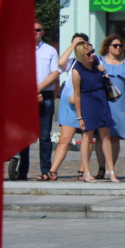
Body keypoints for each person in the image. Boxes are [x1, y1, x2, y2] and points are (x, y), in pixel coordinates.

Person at [70, 42, 119, 183]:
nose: (92, 55)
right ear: (81, 56)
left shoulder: (97, 62)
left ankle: (111, 170)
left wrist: (103, 72)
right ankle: (86, 171)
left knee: (106, 135)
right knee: (87, 135)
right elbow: (77, 95)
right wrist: (80, 116)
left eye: (93, 51)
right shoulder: (76, 71)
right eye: (89, 54)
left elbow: (105, 79)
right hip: (87, 101)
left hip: (101, 98)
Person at [45, 34, 91, 181]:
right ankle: (53, 170)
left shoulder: (92, 62)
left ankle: (83, 170)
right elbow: (60, 63)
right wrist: (72, 46)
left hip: (86, 103)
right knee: (64, 139)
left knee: (87, 138)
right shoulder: (72, 63)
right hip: (69, 105)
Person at [18, 20, 59, 181]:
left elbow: (55, 73)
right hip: (24, 95)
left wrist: (39, 88)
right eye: (32, 29)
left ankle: (45, 170)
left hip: (46, 94)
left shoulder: (50, 51)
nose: (35, 32)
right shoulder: (20, 49)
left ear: (42, 32)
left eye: (38, 30)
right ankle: (22, 171)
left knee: (44, 135)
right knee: (23, 135)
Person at [94, 34, 125, 179]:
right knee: (100, 136)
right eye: (115, 46)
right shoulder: (100, 61)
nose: (118, 48)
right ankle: (101, 167)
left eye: (120, 45)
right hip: (103, 102)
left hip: (119, 103)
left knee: (115, 136)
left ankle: (111, 168)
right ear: (107, 47)